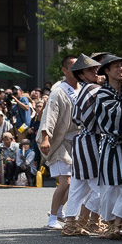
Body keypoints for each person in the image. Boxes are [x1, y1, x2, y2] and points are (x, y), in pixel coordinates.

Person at [92, 54, 122, 240]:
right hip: (111, 143)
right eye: (116, 67)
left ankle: (118, 223)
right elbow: (118, 113)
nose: (121, 69)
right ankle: (109, 223)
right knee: (109, 187)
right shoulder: (103, 93)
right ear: (106, 71)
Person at [62, 53, 103, 237]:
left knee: (78, 186)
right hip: (91, 141)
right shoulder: (94, 89)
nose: (95, 71)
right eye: (90, 70)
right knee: (102, 187)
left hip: (82, 140)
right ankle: (89, 221)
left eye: (96, 68)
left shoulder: (85, 89)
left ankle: (71, 223)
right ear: (81, 74)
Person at [38, 54, 78, 230]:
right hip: (60, 141)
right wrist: (46, 138)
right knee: (66, 183)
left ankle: (60, 210)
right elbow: (49, 116)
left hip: (78, 142)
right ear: (64, 70)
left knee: (76, 183)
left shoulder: (82, 89)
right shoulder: (58, 92)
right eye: (72, 67)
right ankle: (52, 217)